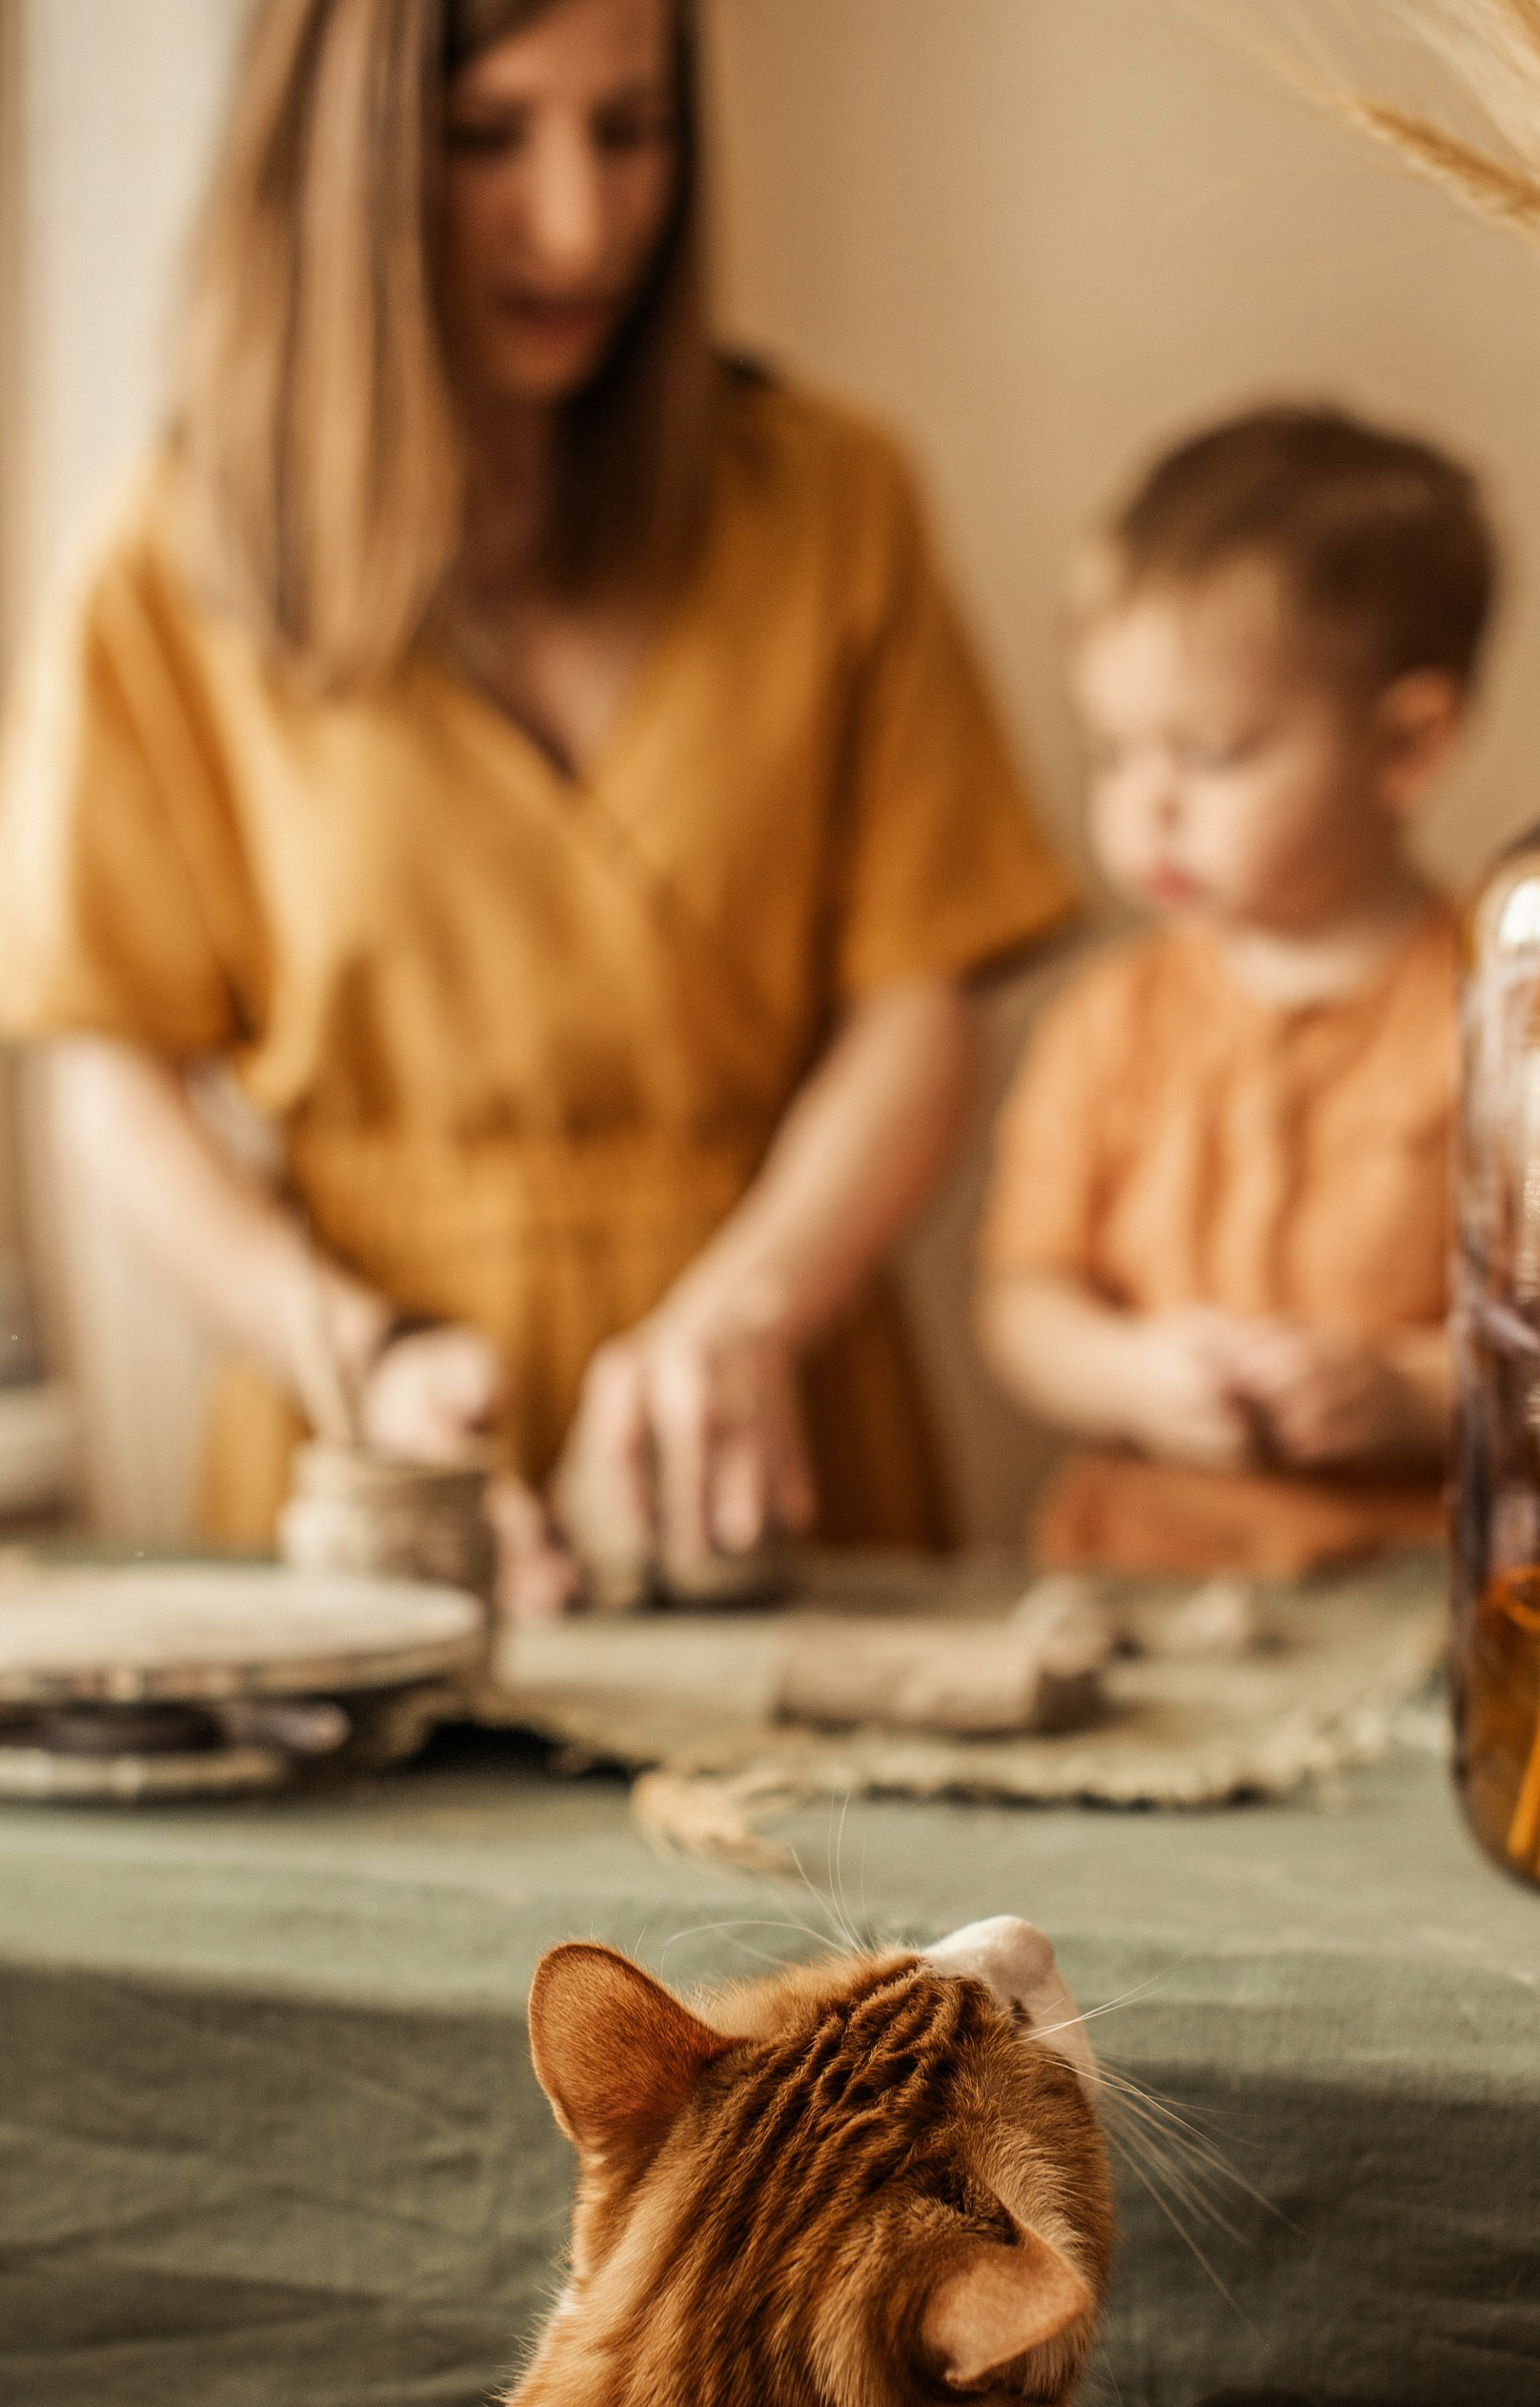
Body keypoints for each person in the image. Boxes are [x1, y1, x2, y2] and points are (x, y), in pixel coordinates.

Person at [0, 0, 1074, 1609]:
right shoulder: (166, 561)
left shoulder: (836, 498)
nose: (580, 226)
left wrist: (744, 1317)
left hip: (783, 1430)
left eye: (629, 131)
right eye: (485, 136)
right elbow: (112, 1074)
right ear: (338, 158)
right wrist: (362, 1353)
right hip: (361, 1443)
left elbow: (919, 1006)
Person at [979, 405, 1497, 1576]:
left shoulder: (1508, 1019)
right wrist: (1129, 1376)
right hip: (1133, 1589)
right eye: (1114, 752)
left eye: (1209, 754)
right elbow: (1023, 1299)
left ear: (1405, 745)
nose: (1144, 805)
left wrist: (1404, 1398)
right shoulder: (1109, 1018)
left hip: (1410, 1601)